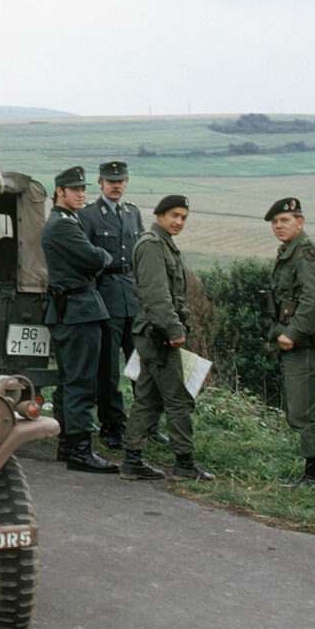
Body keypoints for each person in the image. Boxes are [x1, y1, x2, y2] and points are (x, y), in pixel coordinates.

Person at [121, 195, 212, 482]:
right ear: (159, 215)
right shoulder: (152, 245)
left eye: (184, 217)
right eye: (174, 215)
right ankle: (184, 462)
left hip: (154, 334)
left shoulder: (164, 245)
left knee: (148, 398)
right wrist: (174, 331)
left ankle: (132, 460)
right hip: (158, 335)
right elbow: (157, 295)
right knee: (179, 399)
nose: (179, 222)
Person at [77, 161, 164, 449]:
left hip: (133, 297)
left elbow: (139, 258)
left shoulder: (133, 213)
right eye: (110, 181)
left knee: (142, 363)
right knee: (109, 369)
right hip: (105, 298)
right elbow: (86, 261)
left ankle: (147, 422)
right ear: (100, 183)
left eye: (121, 181)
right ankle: (112, 425)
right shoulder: (89, 216)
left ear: (126, 183)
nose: (116, 186)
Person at [42, 166, 120, 474]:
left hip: (75, 308)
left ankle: (68, 445)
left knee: (70, 380)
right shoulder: (62, 225)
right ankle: (79, 451)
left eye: (83, 189)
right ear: (59, 191)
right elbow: (93, 258)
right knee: (80, 382)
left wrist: (96, 257)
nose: (81, 194)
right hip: (78, 309)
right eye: (74, 190)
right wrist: (103, 257)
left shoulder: (69, 221)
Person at [263, 198, 315, 488]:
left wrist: (292, 334)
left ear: (300, 223)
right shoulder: (289, 252)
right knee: (298, 409)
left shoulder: (308, 253)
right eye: (275, 222)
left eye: (285, 220)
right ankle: (310, 472)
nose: (279, 226)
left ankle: (314, 475)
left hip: (304, 343)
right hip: (295, 341)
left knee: (305, 410)